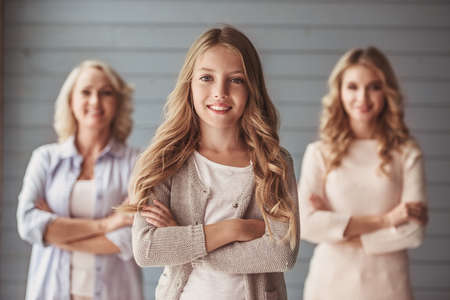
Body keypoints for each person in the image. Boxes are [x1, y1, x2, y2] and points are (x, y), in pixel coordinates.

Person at [119, 26, 300, 300]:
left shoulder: (274, 164)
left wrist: (183, 242)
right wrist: (235, 229)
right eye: (206, 78)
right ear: (189, 84)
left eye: (236, 80)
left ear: (252, 87)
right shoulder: (165, 160)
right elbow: (148, 249)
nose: (220, 92)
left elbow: (281, 254)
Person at [298, 47, 428, 300]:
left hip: (388, 285)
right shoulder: (319, 153)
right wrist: (387, 220)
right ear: (339, 91)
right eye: (353, 87)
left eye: (374, 87)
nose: (363, 98)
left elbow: (414, 231)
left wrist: (337, 230)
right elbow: (306, 225)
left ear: (387, 91)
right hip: (329, 283)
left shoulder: (407, 153)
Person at [16, 60, 144, 300]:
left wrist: (55, 232)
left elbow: (132, 237)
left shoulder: (136, 162)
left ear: (117, 103)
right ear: (70, 101)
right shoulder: (45, 158)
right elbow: (28, 223)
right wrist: (105, 225)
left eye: (105, 93)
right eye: (86, 92)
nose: (95, 101)